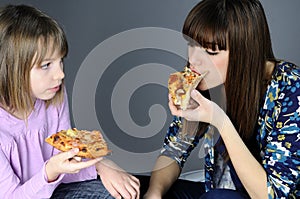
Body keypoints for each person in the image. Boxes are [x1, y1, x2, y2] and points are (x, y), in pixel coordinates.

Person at [143, 0, 300, 198]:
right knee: (131, 188)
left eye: (211, 52)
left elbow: (272, 195)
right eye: (192, 44)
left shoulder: (291, 91)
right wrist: (154, 193)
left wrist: (220, 120)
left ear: (244, 52)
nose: (194, 60)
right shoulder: (202, 80)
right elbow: (174, 151)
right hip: (216, 191)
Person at [0, 4, 139, 199]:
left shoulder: (52, 94)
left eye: (61, 61)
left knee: (128, 191)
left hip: (57, 190)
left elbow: (68, 159)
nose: (60, 74)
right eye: (46, 65)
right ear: (12, 68)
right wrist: (50, 171)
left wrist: (102, 165)